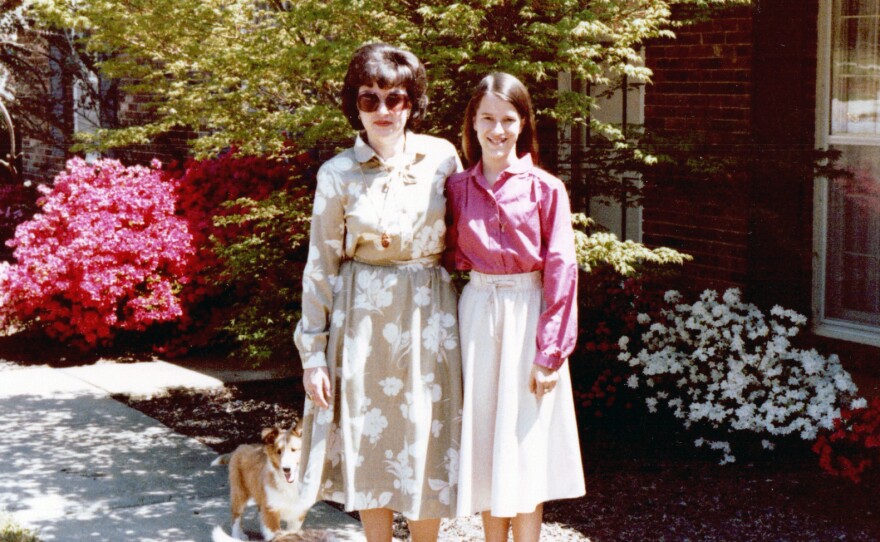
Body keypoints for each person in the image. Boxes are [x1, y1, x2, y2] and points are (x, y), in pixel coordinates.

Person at [294, 43, 463, 542]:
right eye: (370, 99)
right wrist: (313, 354)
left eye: (396, 98)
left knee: (424, 438)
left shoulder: (442, 158)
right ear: (355, 104)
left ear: (413, 103)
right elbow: (320, 265)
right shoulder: (336, 174)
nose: (384, 111)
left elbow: (469, 237)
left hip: (430, 315)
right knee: (372, 442)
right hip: (362, 320)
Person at [445, 72, 586, 542]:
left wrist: (550, 353)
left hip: (529, 314)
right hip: (479, 311)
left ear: (523, 124)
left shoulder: (545, 189)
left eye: (508, 119)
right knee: (487, 437)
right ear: (473, 123)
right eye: (487, 118)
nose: (497, 130)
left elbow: (562, 269)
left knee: (526, 441)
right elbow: (443, 255)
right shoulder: (457, 188)